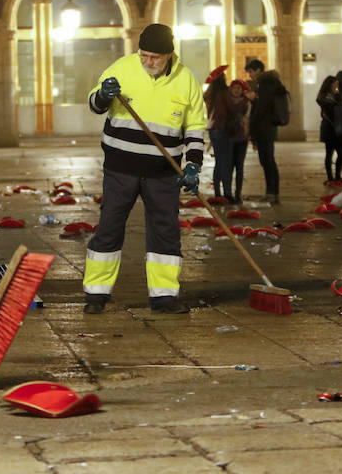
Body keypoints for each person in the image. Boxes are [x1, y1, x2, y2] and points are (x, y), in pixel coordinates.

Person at [83, 23, 206, 316]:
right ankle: (96, 294)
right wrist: (104, 94)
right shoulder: (123, 68)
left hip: (163, 172)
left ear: (169, 55)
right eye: (144, 56)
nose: (148, 62)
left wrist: (192, 166)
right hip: (120, 168)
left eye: (155, 57)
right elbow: (94, 104)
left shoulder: (187, 81)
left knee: (165, 231)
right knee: (109, 227)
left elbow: (195, 128)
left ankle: (164, 297)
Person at [246, 59, 287, 200]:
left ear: (258, 70)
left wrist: (253, 100)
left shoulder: (264, 83)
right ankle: (273, 192)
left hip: (264, 128)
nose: (250, 75)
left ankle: (271, 192)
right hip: (269, 127)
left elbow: (261, 109)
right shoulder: (271, 82)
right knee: (269, 160)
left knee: (267, 161)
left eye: (251, 72)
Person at [203, 65, 239, 203]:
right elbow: (231, 109)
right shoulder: (223, 94)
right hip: (223, 130)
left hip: (212, 130)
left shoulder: (209, 94)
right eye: (224, 77)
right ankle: (227, 194)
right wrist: (245, 101)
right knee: (226, 163)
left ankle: (218, 193)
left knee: (218, 162)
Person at [316, 74, 342, 182]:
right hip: (330, 128)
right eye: (335, 85)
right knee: (329, 153)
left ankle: (337, 175)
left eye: (337, 85)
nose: (336, 87)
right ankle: (330, 177)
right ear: (329, 85)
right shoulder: (324, 98)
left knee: (341, 153)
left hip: (339, 128)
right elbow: (331, 111)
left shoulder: (338, 96)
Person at [228, 79, 252, 204]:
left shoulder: (247, 103)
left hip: (242, 137)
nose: (236, 90)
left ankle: (238, 193)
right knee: (229, 166)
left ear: (243, 90)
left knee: (239, 166)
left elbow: (248, 119)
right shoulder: (226, 102)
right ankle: (229, 193)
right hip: (229, 136)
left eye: (239, 88)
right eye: (234, 88)